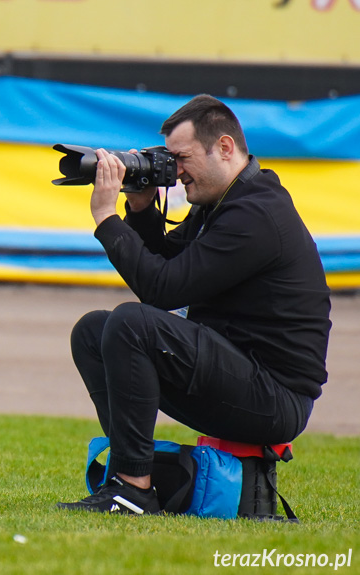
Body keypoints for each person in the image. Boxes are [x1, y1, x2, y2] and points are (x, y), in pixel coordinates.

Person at [57, 94, 331, 514]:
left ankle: (133, 490)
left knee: (133, 323)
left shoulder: (256, 214)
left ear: (224, 147)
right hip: (239, 371)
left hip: (274, 397)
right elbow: (168, 265)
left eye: (182, 158)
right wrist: (141, 207)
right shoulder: (224, 202)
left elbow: (163, 292)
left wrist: (106, 219)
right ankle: (127, 475)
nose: (176, 171)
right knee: (94, 330)